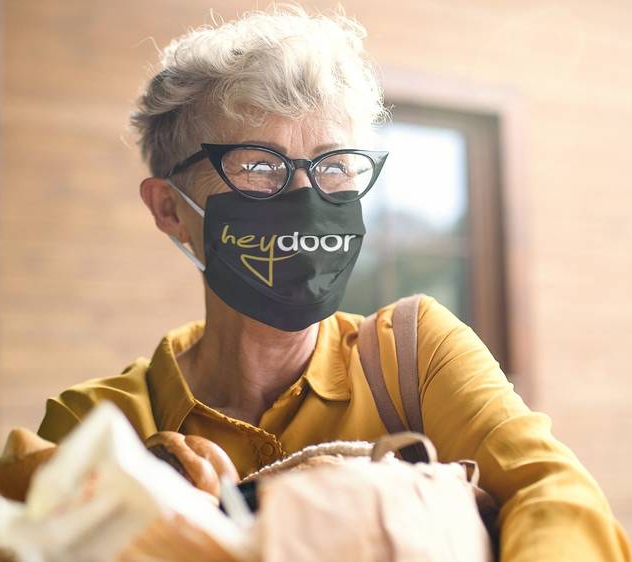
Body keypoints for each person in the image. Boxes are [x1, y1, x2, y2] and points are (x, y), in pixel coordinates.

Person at [32, 6, 630, 561]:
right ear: (169, 209)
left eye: (334, 164)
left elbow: (553, 492)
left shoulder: (412, 358)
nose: (305, 196)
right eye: (259, 166)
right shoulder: (102, 423)